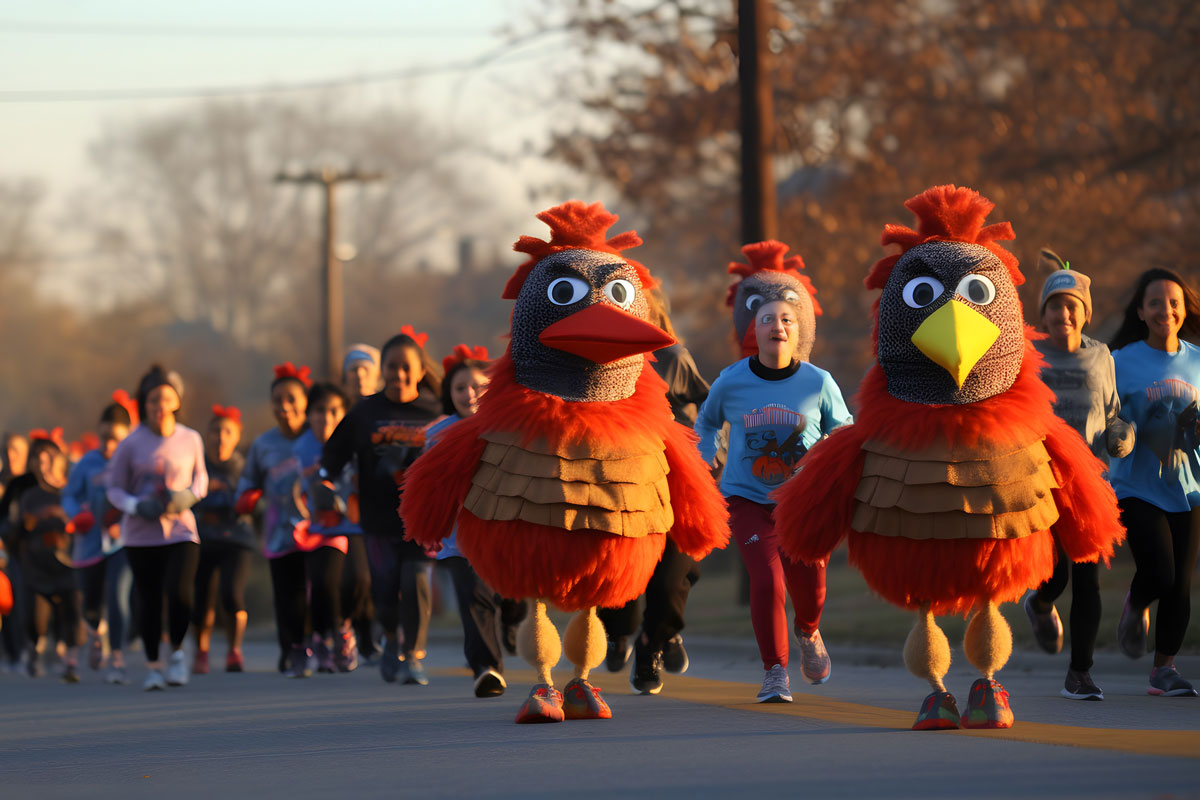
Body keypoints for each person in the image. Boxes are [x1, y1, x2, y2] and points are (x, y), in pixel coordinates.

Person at [694, 298, 852, 702]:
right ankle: (775, 672)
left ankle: (809, 631)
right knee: (766, 581)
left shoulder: (818, 382)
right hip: (748, 500)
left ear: (798, 332)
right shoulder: (731, 381)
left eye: (786, 319)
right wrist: (705, 451)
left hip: (803, 502)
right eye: (767, 319)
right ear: (756, 332)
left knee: (811, 591)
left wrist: (836, 457)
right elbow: (708, 421)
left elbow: (844, 428)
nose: (777, 326)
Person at [1021, 256, 1134, 700]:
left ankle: (1080, 673)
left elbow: (1112, 415)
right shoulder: (1028, 357)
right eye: (1055, 306)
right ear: (1043, 313)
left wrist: (1123, 435)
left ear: (1085, 312)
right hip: (1040, 482)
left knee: (1089, 579)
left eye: (1072, 306)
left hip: (1089, 483)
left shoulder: (1100, 356)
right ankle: (1041, 601)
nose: (1063, 315)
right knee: (1055, 575)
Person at [601, 290, 709, 695]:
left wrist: (713, 446)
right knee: (623, 576)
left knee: (673, 578)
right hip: (624, 485)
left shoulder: (674, 358)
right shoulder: (603, 362)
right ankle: (620, 633)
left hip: (678, 481)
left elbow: (711, 402)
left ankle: (653, 647)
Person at [322, 328, 442, 684]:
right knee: (386, 589)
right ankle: (390, 638)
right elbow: (334, 453)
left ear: (420, 370)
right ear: (382, 370)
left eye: (406, 367)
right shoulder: (364, 412)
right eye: (392, 366)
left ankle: (414, 655)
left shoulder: (436, 410)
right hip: (378, 518)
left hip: (423, 518)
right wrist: (324, 481)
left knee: (417, 579)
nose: (399, 374)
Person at [1108, 267, 1200, 697]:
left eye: (1174, 302)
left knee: (1181, 582)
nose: (1166, 309)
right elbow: (1102, 415)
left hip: (1189, 488)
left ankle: (1164, 669)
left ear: (1184, 310)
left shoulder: (1198, 360)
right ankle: (1137, 603)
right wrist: (1117, 430)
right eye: (1156, 302)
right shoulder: (1121, 361)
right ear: (1142, 311)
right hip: (1135, 485)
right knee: (1160, 570)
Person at [237, 363, 349, 678]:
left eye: (292, 399)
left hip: (325, 526)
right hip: (281, 531)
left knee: (325, 585)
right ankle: (294, 650)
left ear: (307, 403)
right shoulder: (263, 445)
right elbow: (249, 481)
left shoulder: (323, 437)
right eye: (278, 400)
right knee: (290, 596)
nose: (285, 407)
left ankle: (326, 640)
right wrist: (246, 497)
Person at [106, 365, 207, 691]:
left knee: (180, 594)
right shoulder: (130, 444)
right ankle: (153, 666)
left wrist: (187, 497)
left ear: (177, 400)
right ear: (143, 404)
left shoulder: (190, 438)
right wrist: (136, 506)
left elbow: (201, 478)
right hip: (140, 535)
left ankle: (177, 653)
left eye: (165, 398)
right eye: (152, 400)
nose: (159, 405)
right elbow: (114, 488)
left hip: (181, 531)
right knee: (148, 601)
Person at [425, 344, 506, 697]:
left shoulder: (509, 426)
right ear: (449, 393)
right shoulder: (437, 434)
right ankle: (486, 669)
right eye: (460, 388)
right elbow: (426, 487)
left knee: (506, 595)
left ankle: (515, 623)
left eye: (478, 386)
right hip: (459, 536)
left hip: (505, 530)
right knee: (473, 597)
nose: (469, 394)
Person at [62, 396, 134, 684]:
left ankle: (117, 658)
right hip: (89, 544)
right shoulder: (86, 464)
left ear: (127, 436)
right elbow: (69, 495)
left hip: (122, 543)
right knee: (90, 602)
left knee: (118, 596)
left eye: (115, 439)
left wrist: (124, 519)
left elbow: (140, 497)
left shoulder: (131, 464)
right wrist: (77, 513)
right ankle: (95, 634)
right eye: (104, 437)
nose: (108, 445)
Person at [293, 382, 356, 673]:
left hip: (345, 528)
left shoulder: (351, 444)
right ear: (309, 413)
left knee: (344, 582)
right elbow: (288, 489)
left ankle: (341, 633)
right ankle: (321, 638)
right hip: (309, 529)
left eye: (334, 411)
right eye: (319, 410)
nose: (326, 417)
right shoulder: (299, 449)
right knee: (318, 584)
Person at [191, 405, 256, 674]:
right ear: (207, 436)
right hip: (201, 538)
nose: (221, 437)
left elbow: (260, 503)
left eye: (228, 431)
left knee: (231, 595)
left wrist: (248, 503)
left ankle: (234, 650)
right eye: (216, 430)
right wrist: (203, 492)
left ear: (237, 436)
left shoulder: (246, 467)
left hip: (236, 540)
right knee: (201, 598)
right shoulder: (195, 466)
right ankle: (201, 652)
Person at [13, 437, 81, 682]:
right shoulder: (29, 495)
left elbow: (85, 521)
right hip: (36, 566)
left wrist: (64, 518)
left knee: (72, 612)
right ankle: (35, 648)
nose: (44, 466)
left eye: (49, 460)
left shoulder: (71, 492)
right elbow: (19, 531)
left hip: (68, 564)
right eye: (39, 461)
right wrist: (29, 523)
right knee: (35, 620)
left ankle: (70, 662)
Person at [338, 344, 380, 664]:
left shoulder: (384, 413)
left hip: (383, 506)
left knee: (384, 576)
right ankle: (358, 632)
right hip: (347, 510)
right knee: (358, 576)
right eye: (353, 370)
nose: (360, 376)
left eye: (366, 368)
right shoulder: (336, 413)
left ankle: (378, 634)